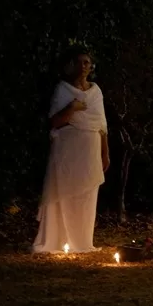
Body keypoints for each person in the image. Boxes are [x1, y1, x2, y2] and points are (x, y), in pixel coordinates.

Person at [33, 48, 110, 254]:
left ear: (91, 67)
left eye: (86, 62)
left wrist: (105, 153)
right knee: (64, 193)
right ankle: (59, 239)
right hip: (68, 150)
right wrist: (72, 108)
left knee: (86, 195)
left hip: (90, 150)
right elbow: (55, 121)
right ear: (72, 65)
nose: (83, 66)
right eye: (79, 62)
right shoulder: (63, 89)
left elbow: (102, 126)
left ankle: (82, 240)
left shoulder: (96, 92)